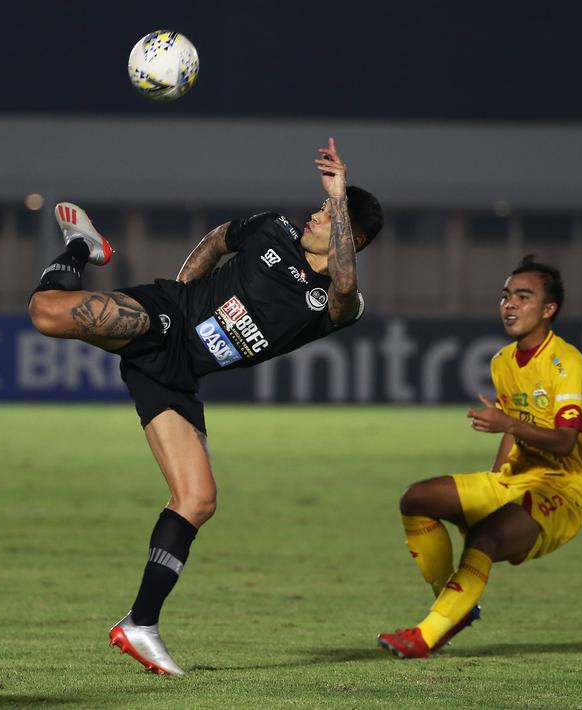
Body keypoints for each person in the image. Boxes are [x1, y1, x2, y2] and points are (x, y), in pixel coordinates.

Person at [28, 138, 383, 675]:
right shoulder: (272, 230)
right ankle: (83, 246)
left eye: (329, 215)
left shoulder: (339, 305)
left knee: (197, 499)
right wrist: (181, 289)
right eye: (319, 208)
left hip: (181, 374)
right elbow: (219, 240)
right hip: (165, 318)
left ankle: (140, 624)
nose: (314, 214)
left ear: (351, 238)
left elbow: (347, 285)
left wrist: (339, 195)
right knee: (45, 314)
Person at [377, 255, 582, 659]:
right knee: (416, 499)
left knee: (485, 538)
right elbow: (511, 428)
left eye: (523, 297)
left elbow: (565, 443)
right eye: (505, 296)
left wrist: (508, 425)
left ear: (549, 310)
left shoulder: (567, 365)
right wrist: (496, 483)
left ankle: (427, 635)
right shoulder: (503, 362)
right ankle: (453, 604)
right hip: (513, 480)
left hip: (561, 491)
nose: (509, 304)